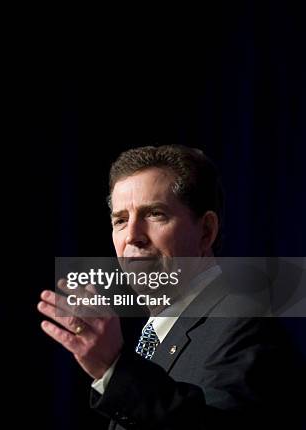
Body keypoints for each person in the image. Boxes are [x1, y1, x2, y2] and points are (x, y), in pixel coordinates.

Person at [37, 145, 304, 429]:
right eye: (121, 220)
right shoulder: (156, 335)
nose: (132, 236)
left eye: (155, 214)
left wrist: (115, 367)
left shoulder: (245, 325)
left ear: (206, 232)